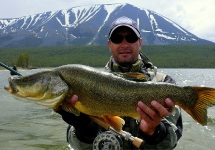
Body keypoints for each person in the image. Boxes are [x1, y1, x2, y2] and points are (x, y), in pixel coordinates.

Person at [55, 16, 182, 149]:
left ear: (140, 42)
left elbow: (172, 141)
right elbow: (77, 146)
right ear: (109, 44)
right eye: (117, 39)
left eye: (131, 38)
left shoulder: (164, 83)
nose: (124, 44)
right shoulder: (88, 83)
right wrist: (84, 128)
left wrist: (155, 132)